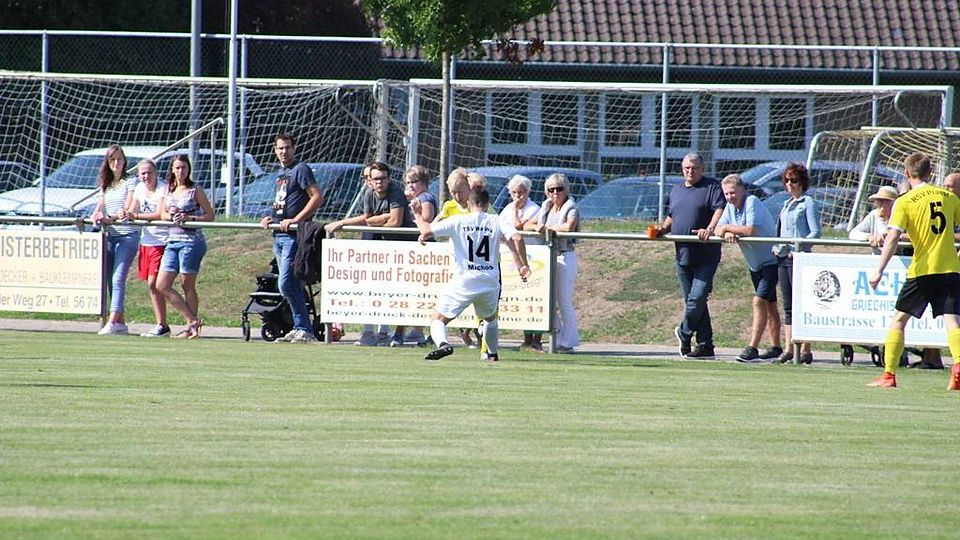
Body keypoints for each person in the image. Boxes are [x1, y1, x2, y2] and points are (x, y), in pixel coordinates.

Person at [867, 152, 960, 390]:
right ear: (931, 173)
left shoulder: (905, 201)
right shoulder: (949, 198)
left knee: (898, 321)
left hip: (922, 270)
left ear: (907, 173)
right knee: (953, 321)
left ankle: (889, 375)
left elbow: (892, 238)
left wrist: (879, 270)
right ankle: (958, 367)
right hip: (950, 269)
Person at [412, 186, 531, 362]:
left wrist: (417, 214)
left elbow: (426, 231)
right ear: (487, 203)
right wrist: (523, 265)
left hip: (464, 280)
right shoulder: (496, 220)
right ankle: (492, 354)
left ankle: (443, 344)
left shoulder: (458, 220)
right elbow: (517, 237)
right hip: (489, 280)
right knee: (490, 319)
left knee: (438, 319)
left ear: (469, 203)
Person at [326, 161, 415, 346]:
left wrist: (379, 220)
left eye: (382, 178)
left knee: (398, 292)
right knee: (372, 288)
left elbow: (395, 222)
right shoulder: (368, 193)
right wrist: (383, 217)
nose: (379, 182)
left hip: (400, 249)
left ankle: (390, 333)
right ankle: (369, 332)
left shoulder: (396, 192)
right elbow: (368, 219)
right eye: (374, 179)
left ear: (389, 179)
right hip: (378, 248)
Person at [652, 152, 725, 359]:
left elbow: (719, 209)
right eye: (686, 168)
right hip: (682, 254)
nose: (690, 172)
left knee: (697, 298)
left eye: (694, 168)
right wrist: (662, 229)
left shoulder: (711, 187)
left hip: (706, 255)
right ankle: (705, 345)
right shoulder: (676, 189)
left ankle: (684, 332)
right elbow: (672, 215)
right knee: (694, 302)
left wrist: (709, 229)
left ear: (702, 169)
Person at [260, 133, 324, 344]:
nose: (283, 151)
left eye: (287, 147)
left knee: (286, 283)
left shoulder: (301, 169)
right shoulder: (281, 173)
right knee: (291, 285)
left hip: (293, 235)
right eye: (280, 148)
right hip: (278, 234)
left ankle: (304, 327)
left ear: (294, 148)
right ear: (274, 150)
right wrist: (271, 216)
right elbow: (282, 201)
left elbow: (316, 197)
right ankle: (301, 328)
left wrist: (296, 219)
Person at [714, 174, 782, 362]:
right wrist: (726, 231)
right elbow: (718, 229)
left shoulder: (752, 202)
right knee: (770, 304)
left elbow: (751, 230)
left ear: (743, 190)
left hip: (771, 260)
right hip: (755, 265)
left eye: (733, 192)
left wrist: (728, 228)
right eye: (726, 194)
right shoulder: (729, 207)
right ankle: (776, 347)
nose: (730, 197)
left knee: (758, 301)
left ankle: (752, 348)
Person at [157, 154, 214, 339]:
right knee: (161, 284)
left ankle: (191, 329)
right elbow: (162, 214)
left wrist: (190, 218)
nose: (181, 171)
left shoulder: (195, 190)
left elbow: (210, 215)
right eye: (177, 167)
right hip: (172, 240)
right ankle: (192, 320)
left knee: (187, 284)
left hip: (191, 241)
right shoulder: (168, 190)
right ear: (172, 170)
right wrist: (171, 215)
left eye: (184, 167)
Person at [526, 173, 581, 353]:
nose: (555, 193)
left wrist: (547, 229)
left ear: (566, 190)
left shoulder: (571, 207)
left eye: (559, 189)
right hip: (548, 257)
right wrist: (537, 227)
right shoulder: (546, 206)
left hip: (565, 255)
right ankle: (558, 338)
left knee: (564, 301)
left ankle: (569, 341)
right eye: (551, 190)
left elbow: (569, 226)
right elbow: (528, 224)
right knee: (549, 301)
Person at [772, 162, 821, 364]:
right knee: (788, 305)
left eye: (794, 180)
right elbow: (780, 231)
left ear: (802, 182)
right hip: (783, 258)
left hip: (799, 259)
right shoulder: (786, 204)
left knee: (803, 304)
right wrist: (776, 247)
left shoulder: (808, 203)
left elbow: (815, 232)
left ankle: (806, 349)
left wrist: (799, 248)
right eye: (787, 180)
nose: (790, 184)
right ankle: (789, 348)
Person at [91, 144, 140, 336]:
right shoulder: (106, 185)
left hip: (127, 235)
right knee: (110, 280)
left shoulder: (131, 181)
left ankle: (112, 322)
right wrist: (97, 216)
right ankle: (121, 322)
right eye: (113, 160)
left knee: (118, 277)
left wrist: (110, 218)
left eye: (120, 159)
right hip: (110, 236)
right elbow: (99, 207)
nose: (116, 163)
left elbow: (126, 208)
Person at [500, 174, 545, 352]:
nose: (518, 196)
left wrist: (514, 210)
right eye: (514, 192)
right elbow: (500, 227)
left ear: (528, 192)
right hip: (514, 258)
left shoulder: (534, 209)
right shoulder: (507, 208)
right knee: (523, 297)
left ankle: (537, 339)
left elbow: (517, 227)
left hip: (535, 257)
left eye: (521, 192)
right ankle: (526, 339)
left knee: (536, 296)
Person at [127, 159, 170, 337]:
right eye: (143, 173)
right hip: (146, 241)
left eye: (149, 172)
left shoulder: (163, 188)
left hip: (161, 241)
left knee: (155, 283)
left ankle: (166, 324)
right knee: (151, 286)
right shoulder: (139, 188)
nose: (146, 176)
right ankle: (161, 324)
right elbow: (132, 208)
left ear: (156, 173)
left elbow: (159, 213)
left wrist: (136, 216)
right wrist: (126, 213)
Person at [400, 164, 437, 347]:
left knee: (423, 290)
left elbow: (427, 219)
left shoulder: (425, 198)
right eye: (408, 182)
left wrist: (415, 214)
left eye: (414, 182)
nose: (411, 185)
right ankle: (415, 328)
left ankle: (420, 330)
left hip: (425, 247)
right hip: (413, 246)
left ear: (423, 183)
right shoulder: (413, 198)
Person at [849, 185, 898, 253]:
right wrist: (869, 237)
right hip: (877, 256)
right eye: (879, 201)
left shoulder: (900, 215)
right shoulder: (873, 215)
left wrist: (894, 236)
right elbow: (853, 233)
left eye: (886, 201)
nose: (882, 204)